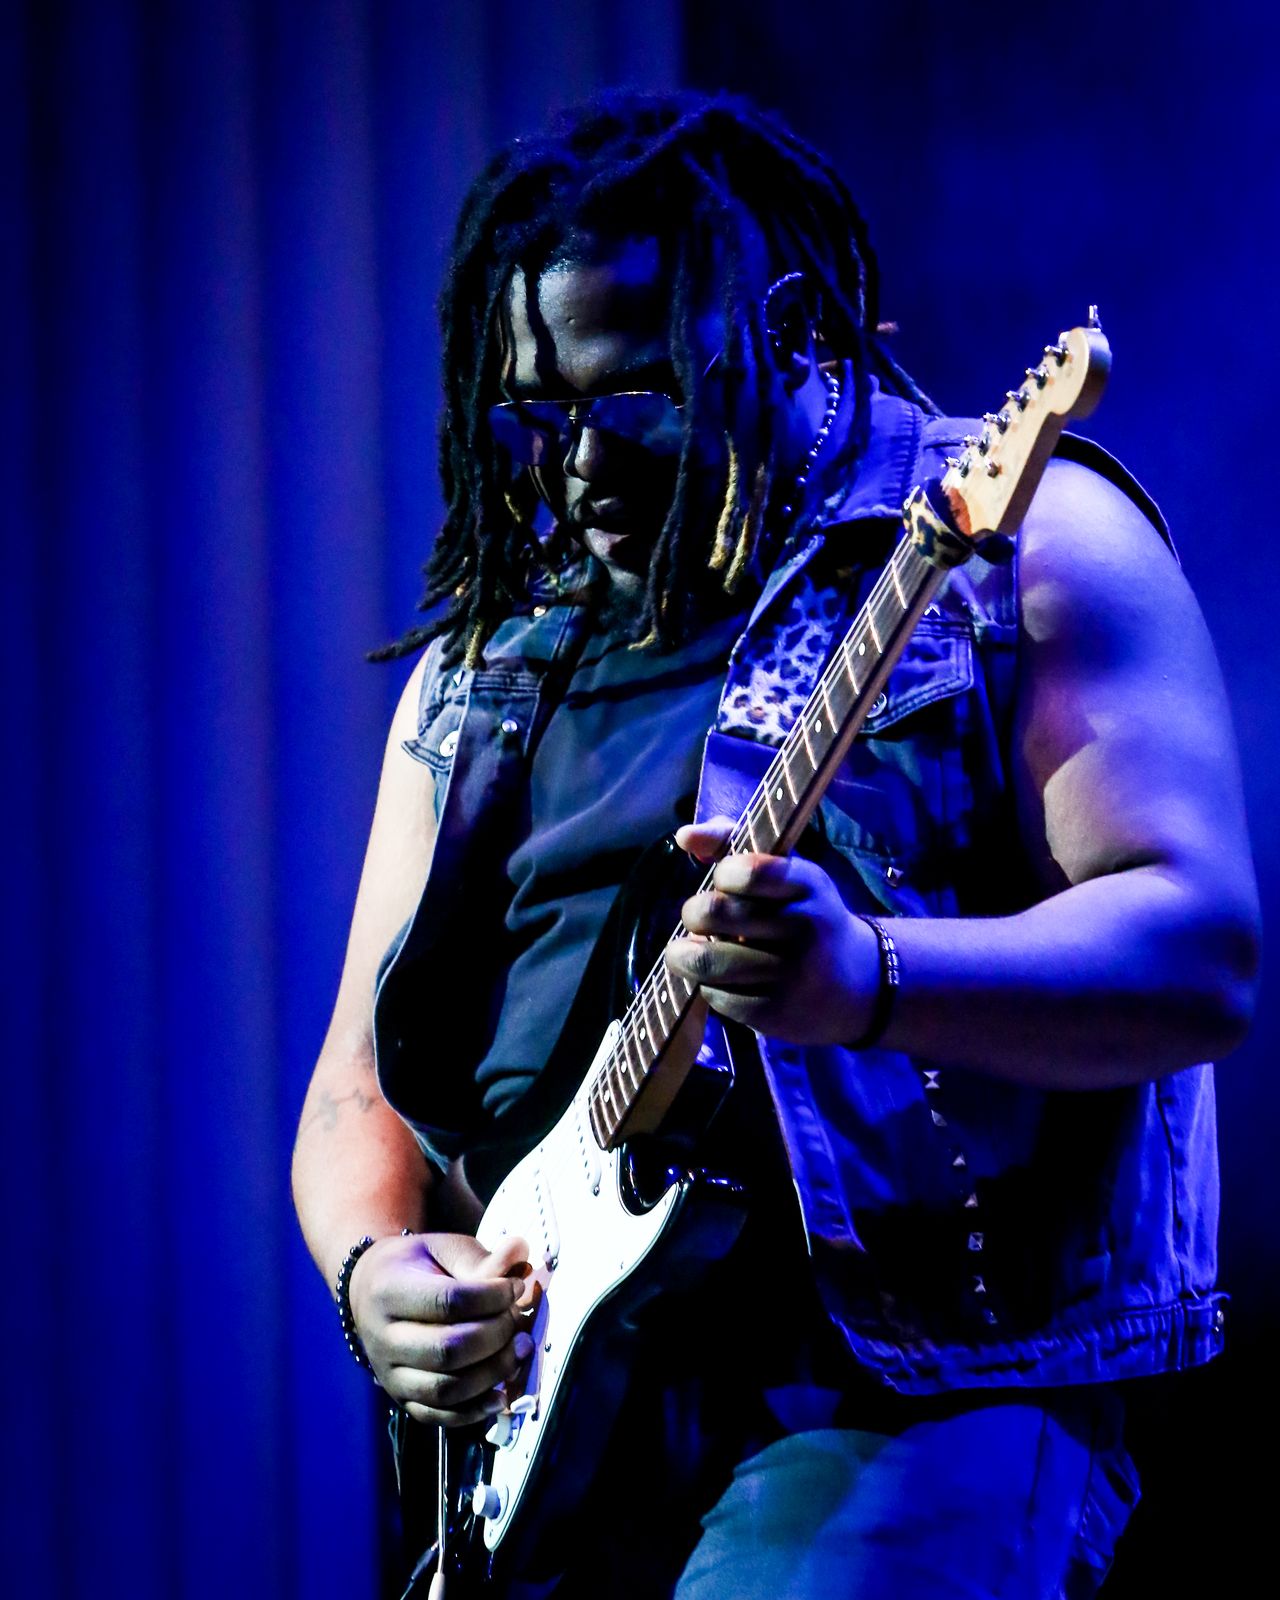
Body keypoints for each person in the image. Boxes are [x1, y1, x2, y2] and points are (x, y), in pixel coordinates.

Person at [291, 92, 1260, 1598]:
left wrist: (869, 976)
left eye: (637, 396)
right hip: (555, 1434)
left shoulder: (1019, 545)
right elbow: (362, 1083)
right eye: (537, 410)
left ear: (794, 331)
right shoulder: (480, 672)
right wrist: (375, 1275)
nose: (579, 464)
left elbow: (1200, 954)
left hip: (903, 1401)